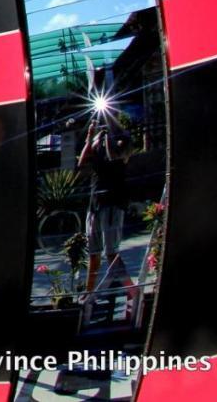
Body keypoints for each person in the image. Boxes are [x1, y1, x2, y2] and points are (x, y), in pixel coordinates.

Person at [77, 110, 132, 296]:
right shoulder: (97, 139)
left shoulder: (123, 137)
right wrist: (89, 138)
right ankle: (88, 292)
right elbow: (82, 165)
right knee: (94, 253)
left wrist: (108, 133)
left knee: (111, 253)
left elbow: (115, 155)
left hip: (113, 201)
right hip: (95, 202)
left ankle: (132, 291)